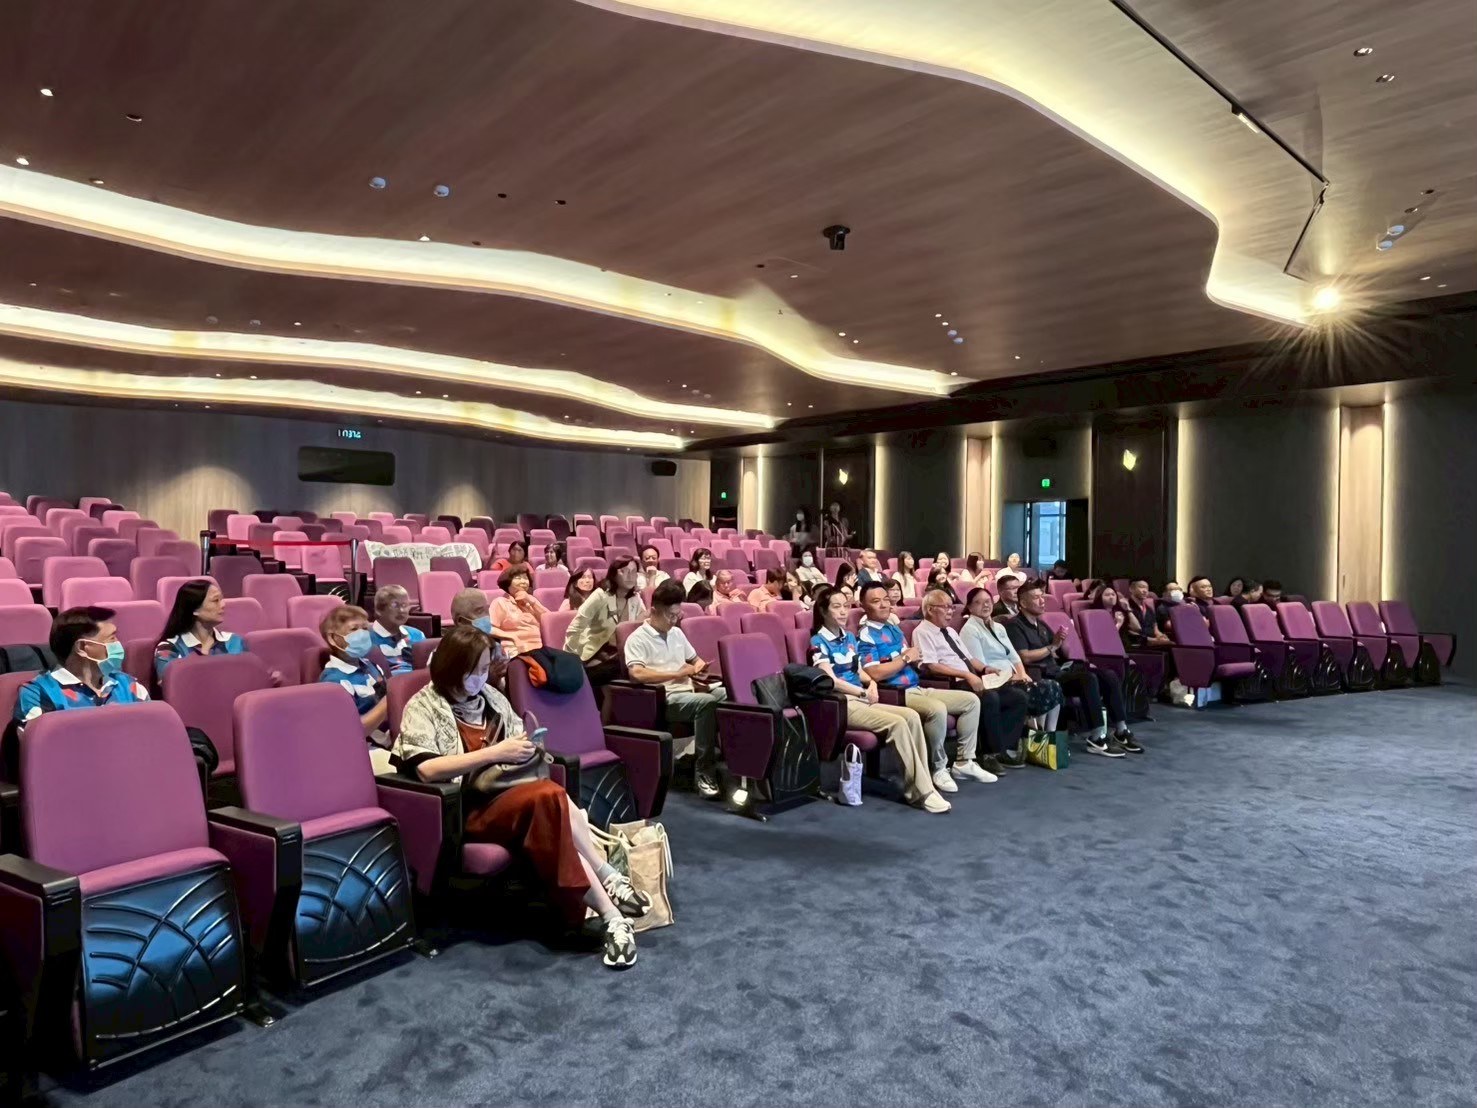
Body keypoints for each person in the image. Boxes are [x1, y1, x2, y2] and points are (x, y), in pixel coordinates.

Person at [393, 624, 646, 969]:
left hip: (510, 797)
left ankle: (609, 913)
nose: (482, 677)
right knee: (549, 796)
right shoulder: (423, 705)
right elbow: (427, 770)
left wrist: (527, 749)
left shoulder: (492, 698)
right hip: (461, 809)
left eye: (486, 668)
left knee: (550, 799)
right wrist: (495, 753)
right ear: (453, 667)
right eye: (475, 670)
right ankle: (608, 890)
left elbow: (516, 740)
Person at [809, 586, 948, 813]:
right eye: (836, 607)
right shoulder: (818, 641)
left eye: (845, 606)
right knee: (898, 723)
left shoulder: (849, 637)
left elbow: (859, 671)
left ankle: (923, 784)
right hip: (841, 702)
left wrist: (871, 683)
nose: (843, 611)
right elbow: (830, 680)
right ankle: (922, 792)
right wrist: (861, 692)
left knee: (912, 717)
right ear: (824, 611)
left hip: (860, 697)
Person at [856, 581, 984, 795]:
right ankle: (938, 767)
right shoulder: (866, 634)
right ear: (863, 606)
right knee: (937, 709)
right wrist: (906, 658)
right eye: (876, 601)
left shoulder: (894, 629)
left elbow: (912, 658)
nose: (884, 605)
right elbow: (875, 672)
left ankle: (964, 761)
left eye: (886, 600)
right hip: (895, 692)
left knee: (970, 701)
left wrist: (913, 660)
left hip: (916, 685)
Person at [1007, 581, 1141, 756]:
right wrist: (1052, 647)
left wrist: (1062, 643)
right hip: (1042, 676)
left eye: (1042, 596)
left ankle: (1121, 730)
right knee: (1088, 679)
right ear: (1023, 603)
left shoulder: (1041, 625)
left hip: (1059, 670)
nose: (1042, 601)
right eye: (1036, 598)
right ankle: (1096, 736)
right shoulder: (1014, 625)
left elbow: (1059, 652)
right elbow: (1024, 656)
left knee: (1108, 675)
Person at [624, 580, 727, 798]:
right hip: (665, 699)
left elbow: (695, 660)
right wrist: (677, 674)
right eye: (670, 616)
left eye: (676, 616)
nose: (673, 621)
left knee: (726, 695)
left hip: (689, 691)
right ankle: (704, 772)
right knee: (707, 703)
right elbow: (637, 674)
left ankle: (728, 762)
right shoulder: (637, 639)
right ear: (654, 611)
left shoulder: (677, 634)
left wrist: (700, 669)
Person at [913, 589, 1028, 777]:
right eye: (945, 607)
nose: (950, 612)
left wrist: (985, 668)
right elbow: (931, 665)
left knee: (1018, 697)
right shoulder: (922, 631)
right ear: (930, 609)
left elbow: (968, 658)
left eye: (952, 607)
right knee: (990, 698)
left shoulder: (950, 631)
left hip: (972, 677)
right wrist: (967, 675)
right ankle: (988, 754)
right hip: (951, 683)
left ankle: (1002, 748)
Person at [15, 606, 150, 728]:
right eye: (112, 638)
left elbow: (151, 733)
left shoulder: (128, 685)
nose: (118, 644)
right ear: (83, 648)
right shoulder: (38, 693)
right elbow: (38, 744)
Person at [962, 588, 1061, 748]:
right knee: (1041, 690)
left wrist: (1022, 674)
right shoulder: (970, 630)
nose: (985, 605)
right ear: (970, 607)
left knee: (1052, 686)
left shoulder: (998, 627)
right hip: (995, 680)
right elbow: (981, 665)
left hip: (1013, 677)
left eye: (987, 601)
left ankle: (1049, 737)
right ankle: (1037, 739)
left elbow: (1014, 657)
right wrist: (1010, 676)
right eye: (978, 602)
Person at [317, 604, 392, 769]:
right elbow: (351, 732)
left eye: (365, 628)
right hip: (363, 751)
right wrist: (389, 702)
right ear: (333, 638)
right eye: (354, 629)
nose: (362, 634)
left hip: (390, 739)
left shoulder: (371, 665)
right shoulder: (333, 681)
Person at [564, 557, 645, 685]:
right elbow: (575, 627)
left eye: (633, 571)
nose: (630, 576)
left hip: (622, 654)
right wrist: (569, 660)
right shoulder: (600, 595)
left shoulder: (635, 599)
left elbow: (641, 627)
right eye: (624, 571)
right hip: (595, 654)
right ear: (613, 574)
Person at [154, 579, 247, 680]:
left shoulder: (234, 642)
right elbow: (170, 683)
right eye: (215, 600)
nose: (223, 604)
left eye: (221, 599)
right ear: (195, 610)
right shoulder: (169, 648)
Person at [490, 565, 549, 654]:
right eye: (518, 578)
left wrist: (532, 602)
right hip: (517, 649)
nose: (523, 582)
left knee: (567, 658)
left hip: (541, 648)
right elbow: (489, 628)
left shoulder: (531, 601)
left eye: (525, 578)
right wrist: (512, 637)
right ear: (508, 582)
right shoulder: (500, 602)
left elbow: (550, 622)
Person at [368, 584, 425, 676]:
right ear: (379, 610)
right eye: (395, 605)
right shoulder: (364, 638)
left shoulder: (417, 635)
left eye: (405, 605)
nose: (402, 610)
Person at [1126, 578, 1172, 648]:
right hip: (1137, 643)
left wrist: (1161, 636)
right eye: (1141, 587)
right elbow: (1130, 631)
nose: (1145, 591)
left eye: (1147, 588)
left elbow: (1155, 630)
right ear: (1131, 589)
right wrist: (1151, 639)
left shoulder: (1149, 609)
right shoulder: (1127, 607)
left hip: (1152, 642)